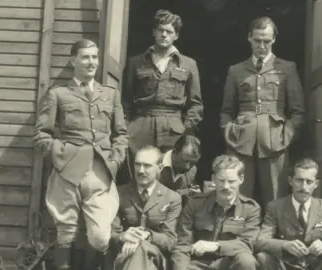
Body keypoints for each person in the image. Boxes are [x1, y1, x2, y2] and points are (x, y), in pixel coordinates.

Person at [32, 39, 128, 269]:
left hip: (101, 171)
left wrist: (115, 160)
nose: (91, 62)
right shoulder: (59, 94)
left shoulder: (110, 94)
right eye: (85, 57)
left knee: (101, 236)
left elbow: (121, 134)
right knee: (65, 231)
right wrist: (59, 154)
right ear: (73, 60)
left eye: (95, 57)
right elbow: (41, 135)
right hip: (67, 170)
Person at [220, 16, 305, 210]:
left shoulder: (287, 69)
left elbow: (298, 111)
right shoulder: (236, 71)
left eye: (267, 41)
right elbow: (226, 111)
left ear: (274, 39)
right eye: (257, 40)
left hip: (275, 141)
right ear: (249, 38)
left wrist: (286, 136)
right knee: (238, 194)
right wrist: (229, 133)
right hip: (241, 141)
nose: (262, 46)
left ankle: (273, 238)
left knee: (276, 197)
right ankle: (238, 237)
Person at [122, 9, 203, 156]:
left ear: (176, 35)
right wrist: (127, 128)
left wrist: (187, 129)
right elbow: (126, 100)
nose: (164, 34)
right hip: (141, 125)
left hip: (173, 128)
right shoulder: (136, 62)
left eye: (169, 31)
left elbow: (195, 104)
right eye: (160, 30)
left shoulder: (188, 64)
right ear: (154, 32)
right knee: (139, 169)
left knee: (168, 171)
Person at [255, 158, 322, 270]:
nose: (303, 187)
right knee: (262, 257)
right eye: (299, 180)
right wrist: (285, 245)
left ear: (316, 184)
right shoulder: (275, 207)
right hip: (287, 266)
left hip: (317, 266)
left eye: (309, 181)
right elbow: (260, 241)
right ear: (290, 181)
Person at [171, 155, 260, 270]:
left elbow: (247, 243)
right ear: (213, 179)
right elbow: (183, 245)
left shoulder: (250, 208)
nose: (226, 186)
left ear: (241, 179)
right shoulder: (195, 204)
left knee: (246, 261)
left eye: (231, 181)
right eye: (221, 181)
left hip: (228, 263)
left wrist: (216, 246)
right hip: (198, 264)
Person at [110, 146, 182, 270]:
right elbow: (110, 234)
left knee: (141, 248)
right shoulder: (119, 193)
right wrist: (123, 236)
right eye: (137, 165)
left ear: (160, 168)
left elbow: (170, 241)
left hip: (155, 257)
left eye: (147, 166)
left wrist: (148, 236)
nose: (141, 170)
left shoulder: (172, 198)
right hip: (124, 255)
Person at [160, 134, 202, 204]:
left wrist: (193, 195)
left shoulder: (193, 170)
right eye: (184, 161)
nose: (187, 167)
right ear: (174, 152)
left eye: (192, 163)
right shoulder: (153, 164)